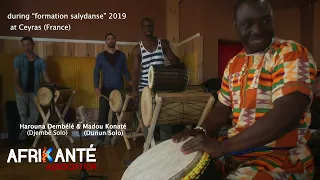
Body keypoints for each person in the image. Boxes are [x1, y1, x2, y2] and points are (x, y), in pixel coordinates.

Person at [172, 0, 317, 179]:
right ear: (236, 27)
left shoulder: (290, 53)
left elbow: (287, 113)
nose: (257, 30)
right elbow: (221, 108)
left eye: (265, 21)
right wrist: (201, 130)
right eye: (247, 24)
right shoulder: (234, 64)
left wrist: (223, 147)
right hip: (234, 153)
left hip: (279, 159)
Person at [131, 17, 181, 141]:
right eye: (145, 26)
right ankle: (150, 147)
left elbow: (174, 60)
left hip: (161, 87)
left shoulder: (162, 43)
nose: (148, 28)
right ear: (142, 29)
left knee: (165, 119)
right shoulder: (137, 49)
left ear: (153, 28)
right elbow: (137, 71)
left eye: (150, 26)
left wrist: (175, 61)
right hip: (145, 88)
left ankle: (164, 147)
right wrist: (135, 90)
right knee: (147, 120)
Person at [93, 33, 132, 147]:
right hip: (105, 90)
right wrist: (96, 86)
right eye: (108, 39)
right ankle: (100, 139)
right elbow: (96, 72)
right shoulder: (100, 56)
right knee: (103, 114)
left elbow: (125, 71)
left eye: (112, 38)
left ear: (115, 41)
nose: (110, 40)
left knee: (117, 115)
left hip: (119, 90)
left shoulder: (122, 56)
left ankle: (113, 137)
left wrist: (130, 82)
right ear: (106, 42)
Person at [14, 36, 50, 142]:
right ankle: (24, 138)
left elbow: (45, 75)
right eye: (24, 45)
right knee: (23, 114)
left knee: (35, 114)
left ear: (33, 45)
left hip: (35, 91)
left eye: (28, 44)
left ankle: (22, 134)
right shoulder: (18, 60)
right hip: (21, 90)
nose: (27, 47)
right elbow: (15, 76)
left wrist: (51, 87)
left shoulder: (40, 61)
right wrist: (18, 87)